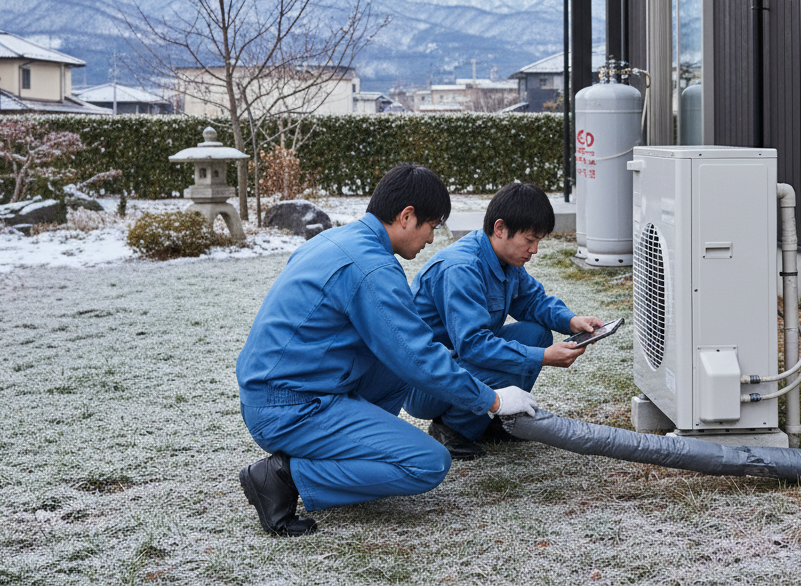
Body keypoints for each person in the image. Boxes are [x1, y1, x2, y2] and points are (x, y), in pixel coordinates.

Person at [235, 164, 538, 536]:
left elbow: (406, 351)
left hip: (283, 390)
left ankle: (351, 447)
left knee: (396, 362)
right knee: (428, 463)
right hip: (291, 407)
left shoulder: (334, 240)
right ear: (407, 216)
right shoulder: (372, 268)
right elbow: (419, 357)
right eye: (432, 226)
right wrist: (492, 400)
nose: (431, 239)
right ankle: (284, 476)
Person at [404, 182, 603, 459]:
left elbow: (533, 301)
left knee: (535, 334)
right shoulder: (461, 268)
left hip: (456, 364)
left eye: (538, 241)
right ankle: (451, 430)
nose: (534, 250)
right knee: (522, 354)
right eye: (530, 240)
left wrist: (572, 321)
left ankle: (487, 418)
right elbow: (474, 345)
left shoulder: (506, 260)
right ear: (500, 229)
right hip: (424, 381)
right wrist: (543, 357)